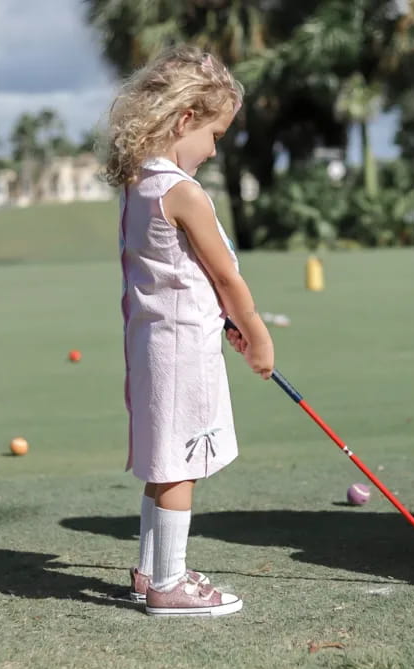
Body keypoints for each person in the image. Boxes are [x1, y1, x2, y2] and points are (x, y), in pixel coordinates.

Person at [105, 46, 274, 616]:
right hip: (182, 353)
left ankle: (150, 571)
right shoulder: (182, 191)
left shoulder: (139, 183)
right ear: (184, 120)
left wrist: (221, 316)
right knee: (180, 468)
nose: (214, 149)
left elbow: (184, 274)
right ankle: (169, 582)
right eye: (215, 135)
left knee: (163, 464)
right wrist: (256, 334)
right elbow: (225, 274)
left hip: (154, 346)